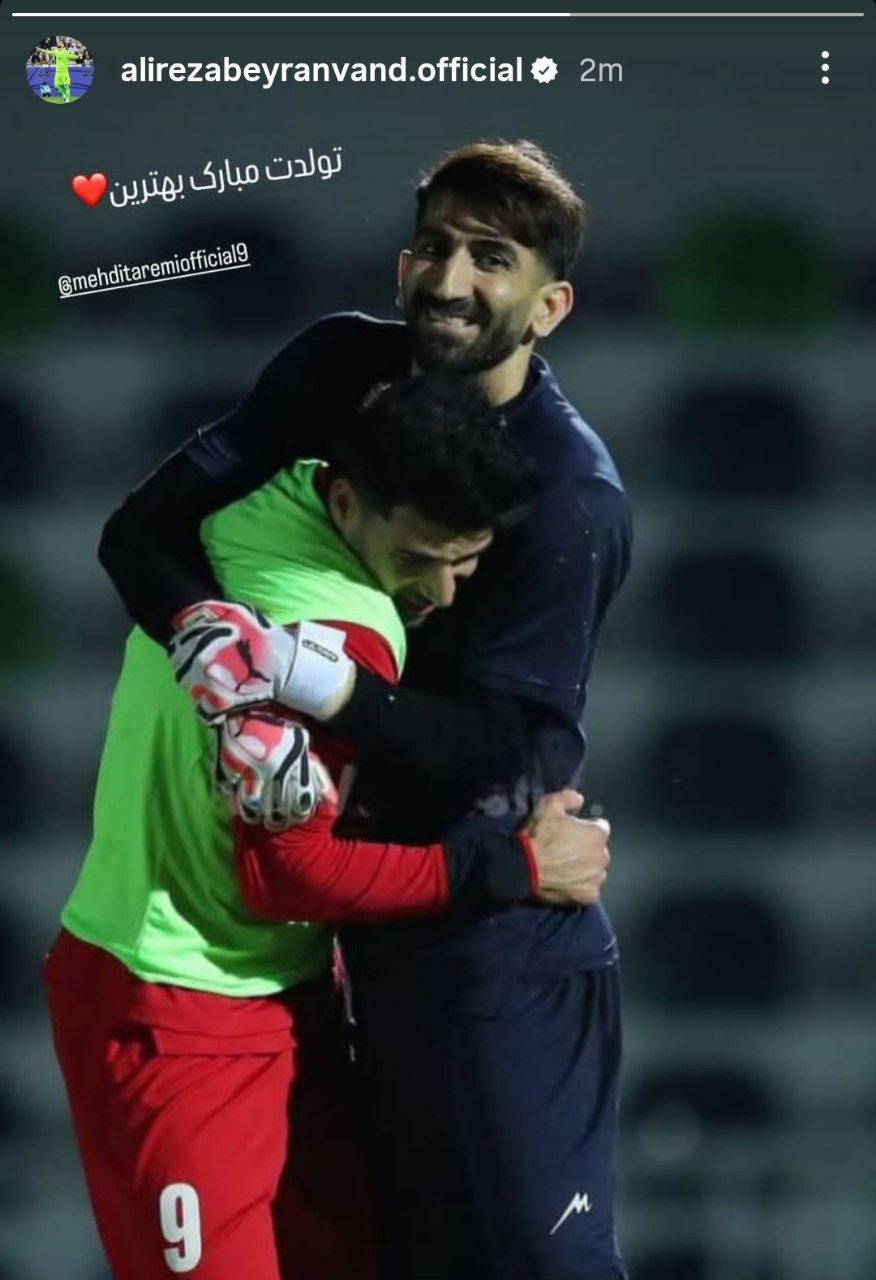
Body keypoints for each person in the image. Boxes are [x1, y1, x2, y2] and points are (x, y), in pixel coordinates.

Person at [99, 140, 633, 1279]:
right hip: (359, 940)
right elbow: (140, 530)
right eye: (433, 246)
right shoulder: (337, 366)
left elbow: (499, 755)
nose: (449, 281)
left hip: (500, 946)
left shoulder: (569, 501)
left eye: (491, 258)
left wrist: (300, 681)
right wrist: (205, 641)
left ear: (551, 307)